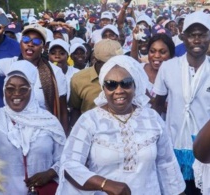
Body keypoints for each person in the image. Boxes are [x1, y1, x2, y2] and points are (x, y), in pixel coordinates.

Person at [56, 55, 185, 195]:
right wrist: (105, 184)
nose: (119, 90)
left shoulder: (152, 118)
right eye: (111, 84)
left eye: (126, 83)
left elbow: (166, 165)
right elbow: (70, 165)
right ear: (103, 88)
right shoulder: (89, 121)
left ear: (135, 85)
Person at [152, 11, 210, 195]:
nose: (197, 40)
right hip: (174, 147)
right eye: (192, 35)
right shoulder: (168, 68)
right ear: (183, 37)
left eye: (202, 35)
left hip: (206, 149)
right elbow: (157, 104)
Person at [0, 60, 66, 194]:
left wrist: (50, 173)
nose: (16, 93)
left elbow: (65, 158)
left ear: (32, 90)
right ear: (4, 90)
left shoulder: (49, 121)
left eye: (23, 89)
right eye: (10, 88)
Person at [0, 23, 69, 134]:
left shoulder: (55, 72)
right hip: (13, 133)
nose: (30, 44)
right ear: (20, 43)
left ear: (43, 47)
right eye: (26, 39)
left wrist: (63, 140)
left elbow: (63, 112)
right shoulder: (10, 64)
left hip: (43, 134)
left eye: (36, 41)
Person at [69, 39, 123, 127]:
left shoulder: (127, 77)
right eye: (108, 64)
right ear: (96, 60)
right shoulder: (78, 79)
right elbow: (76, 109)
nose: (114, 67)